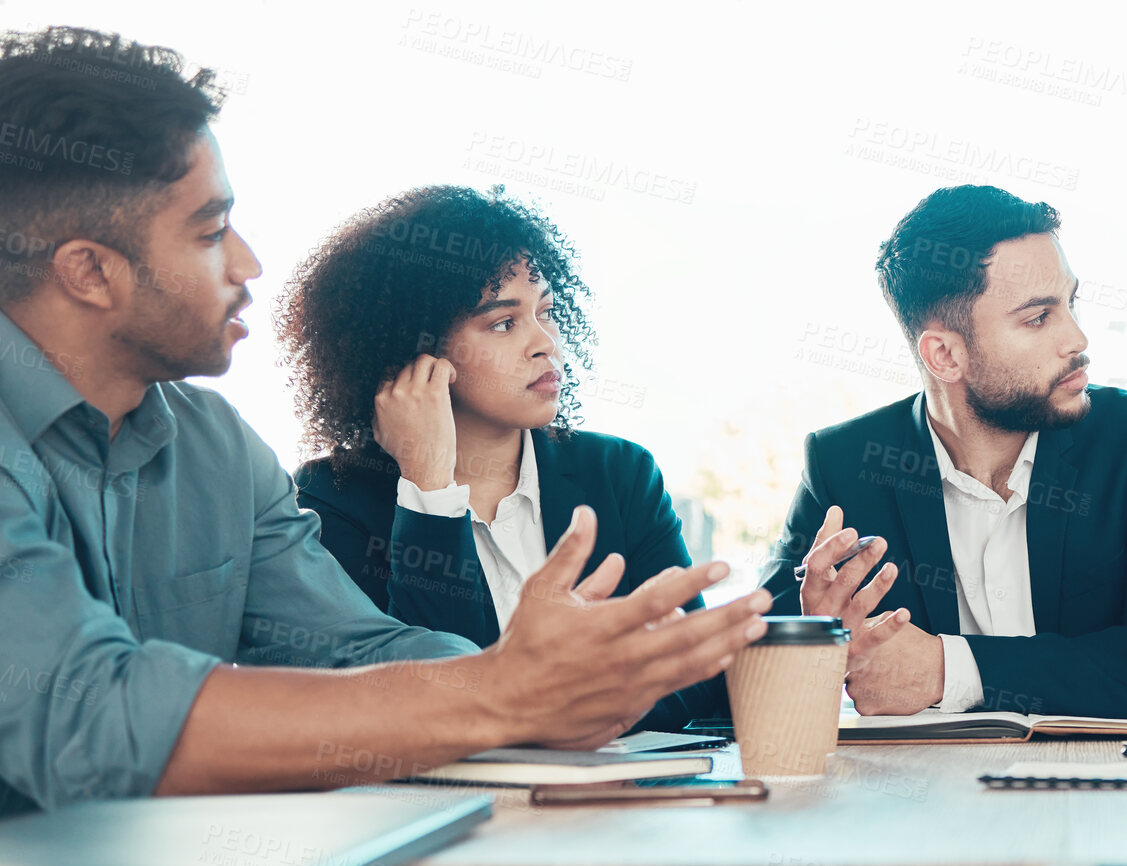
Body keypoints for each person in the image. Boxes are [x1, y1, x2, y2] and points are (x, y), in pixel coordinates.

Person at [0, 27, 770, 814]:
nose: (248, 264)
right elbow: (82, 711)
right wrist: (505, 690)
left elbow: (355, 650)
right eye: (208, 231)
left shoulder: (218, 448)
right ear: (90, 271)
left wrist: (549, 677)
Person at [279, 186, 884, 729]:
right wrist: (430, 490)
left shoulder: (619, 475)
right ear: (413, 354)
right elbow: (431, 698)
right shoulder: (337, 497)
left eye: (544, 311)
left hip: (611, 820)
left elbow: (692, 681)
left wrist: (805, 639)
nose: (545, 342)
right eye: (502, 323)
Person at [759, 185, 1127, 718]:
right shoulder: (844, 467)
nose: (1078, 338)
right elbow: (746, 669)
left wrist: (947, 670)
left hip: (1101, 791)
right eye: (1038, 318)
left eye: (1070, 303)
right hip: (917, 796)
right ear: (945, 355)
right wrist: (808, 646)